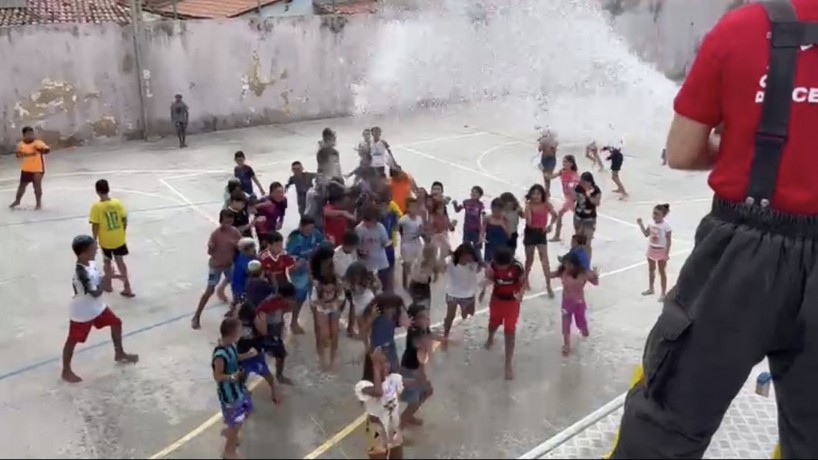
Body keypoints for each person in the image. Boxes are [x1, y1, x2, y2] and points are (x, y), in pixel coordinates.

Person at [610, 1, 818, 458]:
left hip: (740, 256)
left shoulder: (741, 27)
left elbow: (683, 152)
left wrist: (743, 143)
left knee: (667, 423)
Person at [63, 235, 138, 383]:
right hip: (82, 312)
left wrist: (112, 276)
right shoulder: (81, 273)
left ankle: (119, 353)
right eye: (93, 249)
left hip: (96, 307)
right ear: (84, 252)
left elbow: (97, 279)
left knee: (116, 323)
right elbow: (96, 291)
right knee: (72, 340)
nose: (97, 250)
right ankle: (66, 370)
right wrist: (108, 279)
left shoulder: (89, 264)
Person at [212, 318, 254, 460]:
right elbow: (217, 376)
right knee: (236, 420)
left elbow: (235, 358)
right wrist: (231, 377)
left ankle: (230, 432)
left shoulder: (232, 345)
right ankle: (228, 452)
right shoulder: (219, 355)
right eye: (239, 330)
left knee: (245, 411)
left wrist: (248, 355)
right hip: (230, 394)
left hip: (239, 388)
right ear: (232, 334)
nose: (242, 332)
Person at [480, 245, 524, 380]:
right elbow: (489, 278)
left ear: (509, 262)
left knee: (510, 332)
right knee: (493, 323)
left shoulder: (517, 267)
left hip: (512, 303)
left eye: (502, 267)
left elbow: (523, 283)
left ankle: (508, 364)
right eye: (498, 266)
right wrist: (482, 290)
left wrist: (520, 294)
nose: (500, 269)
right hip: (497, 300)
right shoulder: (492, 265)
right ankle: (490, 337)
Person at [192, 209, 241, 330]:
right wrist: (211, 247)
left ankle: (233, 309)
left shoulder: (235, 232)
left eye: (230, 221)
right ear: (221, 221)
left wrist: (236, 245)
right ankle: (197, 315)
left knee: (236, 288)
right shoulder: (215, 234)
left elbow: (241, 246)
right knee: (209, 290)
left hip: (229, 265)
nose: (228, 223)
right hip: (216, 266)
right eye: (225, 221)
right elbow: (210, 252)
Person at [355, 347, 404, 460]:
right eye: (379, 363)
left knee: (397, 456)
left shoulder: (392, 379)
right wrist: (376, 369)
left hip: (392, 426)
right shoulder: (362, 385)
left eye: (385, 361)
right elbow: (378, 392)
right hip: (376, 430)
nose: (385, 365)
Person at [89, 179, 134, 297]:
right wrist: (122, 231)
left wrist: (94, 240)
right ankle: (127, 286)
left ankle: (108, 285)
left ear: (97, 191)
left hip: (106, 241)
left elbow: (95, 225)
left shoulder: (97, 207)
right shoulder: (117, 203)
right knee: (120, 262)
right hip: (119, 238)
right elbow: (124, 219)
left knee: (107, 262)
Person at [549, 252, 599, 356]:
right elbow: (550, 275)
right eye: (565, 264)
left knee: (580, 323)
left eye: (568, 264)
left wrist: (595, 276)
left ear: (574, 264)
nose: (566, 266)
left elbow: (595, 283)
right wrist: (546, 271)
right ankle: (566, 344)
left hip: (579, 304)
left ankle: (585, 332)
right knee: (566, 324)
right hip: (566, 303)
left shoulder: (584, 273)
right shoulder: (562, 272)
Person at [285, 216, 325, 334]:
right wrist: (299, 262)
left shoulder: (315, 234)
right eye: (308, 228)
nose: (310, 231)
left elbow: (322, 243)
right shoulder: (294, 239)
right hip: (299, 273)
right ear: (301, 227)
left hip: (313, 269)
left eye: (312, 228)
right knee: (299, 298)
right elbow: (289, 258)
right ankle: (293, 322)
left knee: (316, 297)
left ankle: (319, 324)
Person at [399, 304, 435, 429]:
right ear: (414, 319)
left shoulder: (424, 329)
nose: (427, 318)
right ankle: (398, 431)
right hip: (410, 370)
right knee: (415, 401)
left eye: (426, 316)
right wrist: (422, 374)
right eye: (422, 317)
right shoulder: (415, 332)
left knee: (427, 391)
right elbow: (420, 353)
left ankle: (409, 416)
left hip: (414, 368)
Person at [442, 243, 482, 347]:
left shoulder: (474, 264)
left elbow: (484, 270)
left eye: (470, 257)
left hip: (469, 294)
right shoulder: (450, 262)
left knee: (470, 313)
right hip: (452, 293)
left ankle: (464, 310)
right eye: (465, 257)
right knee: (450, 316)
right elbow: (442, 265)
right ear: (460, 255)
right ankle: (445, 335)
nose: (467, 259)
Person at [522, 184, 557, 297]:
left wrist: (550, 225)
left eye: (538, 193)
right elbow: (529, 223)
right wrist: (528, 212)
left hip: (541, 233)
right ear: (530, 195)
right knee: (529, 259)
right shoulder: (529, 206)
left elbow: (555, 216)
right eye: (534, 193)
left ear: (542, 194)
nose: (536, 196)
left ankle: (548, 285)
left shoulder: (546, 204)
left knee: (545, 260)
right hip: (531, 233)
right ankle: (525, 279)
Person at [637, 204, 672, 301]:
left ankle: (663, 293)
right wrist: (640, 224)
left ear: (663, 215)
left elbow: (668, 241)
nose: (654, 216)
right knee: (651, 270)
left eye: (657, 214)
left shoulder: (666, 227)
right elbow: (646, 234)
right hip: (652, 249)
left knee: (662, 272)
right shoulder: (651, 223)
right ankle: (651, 288)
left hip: (661, 250)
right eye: (654, 213)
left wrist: (666, 254)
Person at [9, 126, 49, 210]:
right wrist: (27, 154)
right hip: (26, 169)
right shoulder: (21, 144)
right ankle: (17, 200)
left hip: (38, 168)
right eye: (28, 134)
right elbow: (18, 155)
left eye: (32, 134)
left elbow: (46, 149)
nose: (30, 136)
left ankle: (38, 204)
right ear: (24, 135)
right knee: (22, 186)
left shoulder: (38, 143)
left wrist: (42, 150)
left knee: (37, 186)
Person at [356, 207, 393, 292]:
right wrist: (361, 252)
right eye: (367, 222)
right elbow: (356, 246)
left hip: (381, 263)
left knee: (386, 288)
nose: (370, 224)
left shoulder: (380, 227)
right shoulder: (359, 229)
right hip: (366, 265)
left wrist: (387, 243)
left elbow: (385, 241)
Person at [549, 155, 580, 242]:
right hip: (568, 198)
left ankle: (557, 236)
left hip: (572, 199)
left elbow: (576, 186)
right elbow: (550, 177)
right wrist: (542, 169)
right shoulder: (562, 172)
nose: (564, 163)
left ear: (571, 163)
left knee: (561, 214)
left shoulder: (575, 175)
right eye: (563, 162)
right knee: (578, 216)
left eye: (566, 162)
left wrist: (573, 187)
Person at [573, 172, 602, 262]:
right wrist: (573, 192)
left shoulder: (596, 190)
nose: (582, 184)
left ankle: (586, 264)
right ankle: (576, 262)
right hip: (578, 217)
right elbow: (574, 199)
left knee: (587, 243)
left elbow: (597, 202)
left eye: (584, 182)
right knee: (578, 240)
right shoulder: (578, 188)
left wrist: (588, 196)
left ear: (589, 182)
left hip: (589, 219)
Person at [398, 198, 425, 289]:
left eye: (415, 207)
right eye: (412, 207)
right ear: (408, 208)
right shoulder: (403, 219)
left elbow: (421, 230)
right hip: (407, 244)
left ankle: (416, 282)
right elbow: (398, 229)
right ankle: (405, 285)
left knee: (419, 264)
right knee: (407, 264)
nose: (414, 209)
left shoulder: (419, 219)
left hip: (417, 243)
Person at [452, 186, 485, 258]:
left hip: (476, 230)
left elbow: (483, 214)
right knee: (466, 247)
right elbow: (457, 210)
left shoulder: (480, 205)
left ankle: (479, 262)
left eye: (476, 192)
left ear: (480, 195)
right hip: (467, 228)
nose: (473, 193)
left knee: (477, 248)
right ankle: (465, 260)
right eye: (472, 191)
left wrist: (483, 230)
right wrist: (454, 204)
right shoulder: (466, 202)